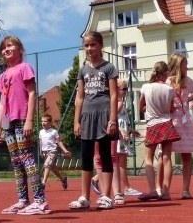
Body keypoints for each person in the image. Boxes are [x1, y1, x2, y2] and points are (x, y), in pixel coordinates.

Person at [0, 35, 51, 215]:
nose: (6, 49)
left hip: (21, 119)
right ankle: (23, 200)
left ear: (20, 49)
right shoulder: (3, 75)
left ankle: (40, 201)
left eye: (10, 45)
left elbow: (33, 94)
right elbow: (2, 102)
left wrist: (29, 120)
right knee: (17, 162)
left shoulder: (24, 68)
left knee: (27, 158)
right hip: (8, 123)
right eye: (4, 47)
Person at [69, 31, 119, 210]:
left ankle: (106, 196)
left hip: (104, 115)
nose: (89, 48)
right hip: (86, 117)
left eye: (93, 45)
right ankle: (85, 197)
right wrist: (77, 121)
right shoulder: (83, 70)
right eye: (86, 45)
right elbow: (80, 97)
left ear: (101, 45)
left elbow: (114, 95)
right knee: (86, 157)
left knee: (105, 155)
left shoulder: (109, 68)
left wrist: (112, 120)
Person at [158, 53, 193, 199]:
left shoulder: (187, 81)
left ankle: (185, 189)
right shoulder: (166, 82)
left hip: (185, 121)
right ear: (178, 66)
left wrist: (189, 98)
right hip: (170, 120)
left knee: (187, 155)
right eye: (185, 64)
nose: (188, 67)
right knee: (163, 155)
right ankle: (160, 188)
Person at [137, 62, 180, 201]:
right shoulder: (170, 89)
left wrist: (146, 108)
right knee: (167, 158)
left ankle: (152, 190)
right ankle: (166, 192)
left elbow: (140, 107)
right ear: (165, 74)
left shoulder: (146, 87)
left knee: (148, 158)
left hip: (152, 123)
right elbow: (172, 109)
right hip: (166, 123)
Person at [116, 80, 142, 196]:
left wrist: (131, 130)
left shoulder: (120, 102)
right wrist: (122, 131)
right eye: (124, 89)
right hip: (120, 136)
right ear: (116, 89)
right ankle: (126, 187)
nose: (126, 91)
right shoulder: (117, 103)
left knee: (120, 161)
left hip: (123, 133)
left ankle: (96, 179)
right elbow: (112, 119)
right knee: (121, 161)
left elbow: (123, 119)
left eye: (126, 89)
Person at [38, 114, 70, 190]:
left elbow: (59, 142)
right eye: (42, 121)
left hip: (53, 151)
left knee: (47, 165)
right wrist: (41, 151)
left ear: (50, 122)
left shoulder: (54, 131)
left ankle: (43, 183)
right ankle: (63, 179)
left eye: (45, 121)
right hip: (45, 151)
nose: (43, 123)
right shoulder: (41, 132)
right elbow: (41, 142)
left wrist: (65, 150)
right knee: (52, 168)